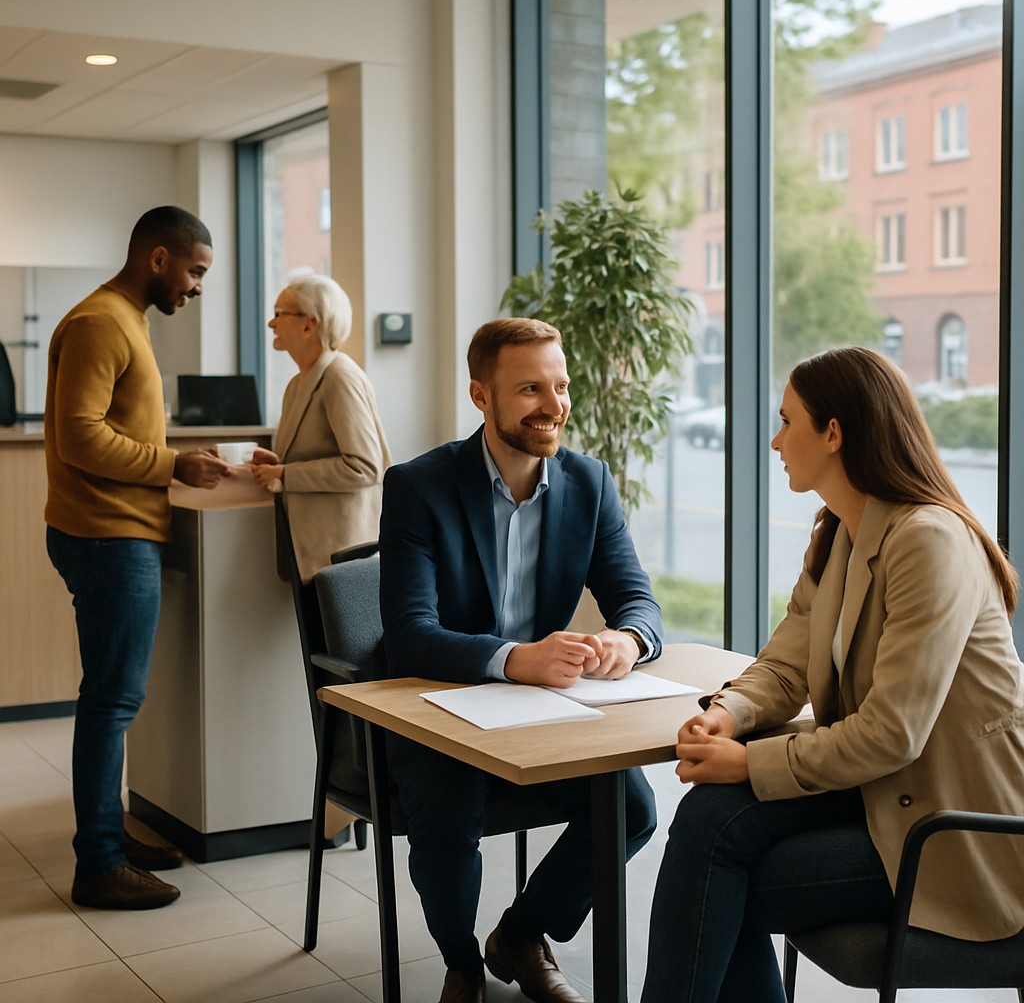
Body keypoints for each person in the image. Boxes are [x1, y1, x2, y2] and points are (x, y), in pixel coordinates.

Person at [640, 347, 1024, 1003]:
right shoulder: (841, 530)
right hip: (879, 795)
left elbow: (891, 734)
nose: (774, 439)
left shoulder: (928, 540)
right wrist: (728, 713)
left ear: (834, 433)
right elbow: (785, 664)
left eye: (788, 421)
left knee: (721, 878)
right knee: (709, 820)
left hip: (951, 829)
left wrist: (746, 764)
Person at [379, 317, 662, 1003]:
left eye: (560, 386)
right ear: (481, 396)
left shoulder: (589, 484)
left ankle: (521, 933)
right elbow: (409, 633)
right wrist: (515, 660)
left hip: (537, 715)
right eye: (531, 388)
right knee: (448, 820)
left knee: (631, 807)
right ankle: (462, 963)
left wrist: (625, 641)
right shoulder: (419, 486)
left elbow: (639, 603)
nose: (554, 404)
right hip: (434, 709)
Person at [45, 205, 232, 910]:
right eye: (195, 270)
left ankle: (110, 840)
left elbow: (112, 426)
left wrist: (177, 461)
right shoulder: (100, 322)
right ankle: (97, 862)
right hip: (106, 537)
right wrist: (172, 466)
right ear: (158, 258)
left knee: (115, 697)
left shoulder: (126, 319)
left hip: (116, 532)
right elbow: (80, 439)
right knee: (110, 702)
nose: (199, 286)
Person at [249, 272, 391, 582]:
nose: (271, 324)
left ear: (308, 324)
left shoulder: (340, 377)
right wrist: (278, 465)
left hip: (342, 557)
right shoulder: (297, 384)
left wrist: (286, 474)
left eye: (278, 314)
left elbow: (364, 467)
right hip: (312, 552)